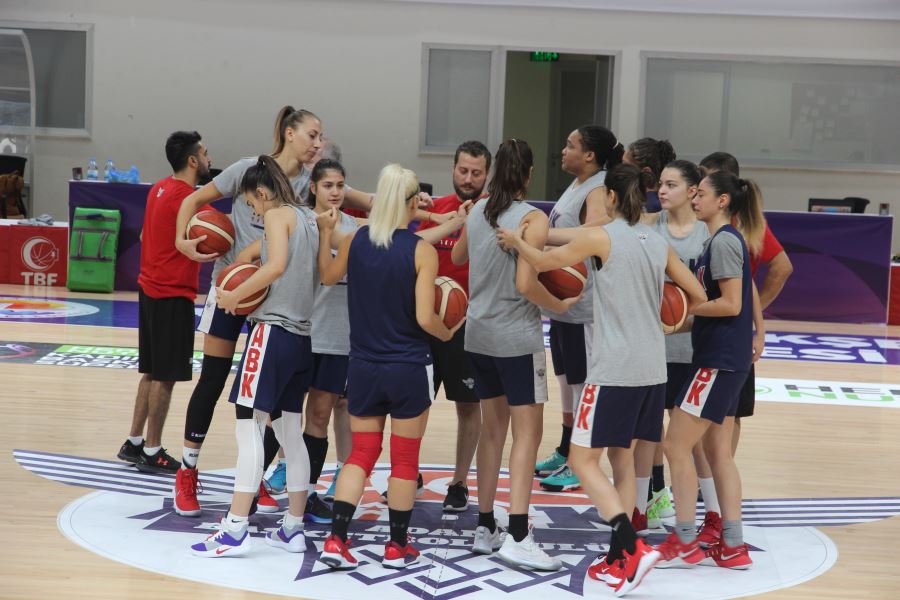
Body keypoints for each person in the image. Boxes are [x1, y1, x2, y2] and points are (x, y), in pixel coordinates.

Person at [498, 163, 706, 595]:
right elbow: (699, 296)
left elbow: (544, 261)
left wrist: (516, 241)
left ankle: (631, 548)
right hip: (653, 370)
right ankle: (617, 557)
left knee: (581, 461)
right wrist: (670, 323)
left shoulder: (601, 236)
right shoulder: (657, 242)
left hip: (614, 369)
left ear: (610, 196)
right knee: (621, 459)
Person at [171, 106, 322, 517]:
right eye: (312, 135)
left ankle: (254, 483)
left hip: (271, 299)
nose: (318, 143)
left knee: (268, 398)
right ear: (289, 134)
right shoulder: (247, 170)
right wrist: (183, 240)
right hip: (232, 287)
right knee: (213, 379)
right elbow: (196, 198)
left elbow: (355, 199)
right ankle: (187, 472)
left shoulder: (310, 182)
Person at [316, 164, 463, 570]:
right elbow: (425, 318)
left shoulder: (356, 240)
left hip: (363, 366)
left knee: (361, 453)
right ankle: (397, 547)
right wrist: (449, 332)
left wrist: (326, 234)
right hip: (408, 368)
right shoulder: (421, 251)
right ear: (413, 202)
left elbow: (327, 277)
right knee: (404, 459)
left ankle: (336, 540)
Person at [451, 139, 577, 571]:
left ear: (493, 172)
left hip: (478, 334)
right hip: (516, 339)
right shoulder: (531, 219)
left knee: (492, 431)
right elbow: (526, 284)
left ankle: (486, 526)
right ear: (528, 174)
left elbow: (457, 255)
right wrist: (559, 305)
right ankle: (519, 535)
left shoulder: (479, 211)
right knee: (527, 435)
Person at [656, 170, 766, 570]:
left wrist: (687, 309)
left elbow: (731, 304)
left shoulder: (722, 242)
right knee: (719, 453)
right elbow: (724, 307)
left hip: (717, 362)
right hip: (727, 359)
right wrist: (681, 321)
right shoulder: (722, 240)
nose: (694, 198)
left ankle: (685, 538)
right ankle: (733, 544)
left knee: (675, 446)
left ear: (722, 201)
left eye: (701, 193)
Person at [693, 151, 792, 545]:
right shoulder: (721, 230)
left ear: (723, 191)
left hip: (724, 344)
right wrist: (756, 323)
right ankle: (721, 517)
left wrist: (749, 317)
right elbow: (746, 283)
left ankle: (715, 513)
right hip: (723, 341)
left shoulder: (733, 231)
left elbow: (779, 268)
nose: (696, 192)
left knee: (716, 434)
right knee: (718, 435)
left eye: (703, 184)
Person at [117, 131, 212, 474]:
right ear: (193, 160)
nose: (210, 159)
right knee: (166, 378)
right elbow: (218, 233)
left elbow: (145, 236)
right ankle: (153, 449)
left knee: (152, 372)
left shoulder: (158, 188)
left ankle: (134, 442)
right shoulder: (188, 199)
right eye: (205, 153)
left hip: (149, 290)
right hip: (171, 294)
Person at [536, 125, 623, 494]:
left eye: (570, 145)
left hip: (584, 305)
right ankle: (565, 448)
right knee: (567, 383)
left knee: (584, 385)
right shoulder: (578, 183)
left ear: (589, 155)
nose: (563, 150)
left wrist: (541, 241)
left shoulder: (598, 188)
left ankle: (581, 462)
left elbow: (594, 234)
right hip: (564, 308)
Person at [415, 140, 491, 512]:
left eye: (476, 172)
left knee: (468, 405)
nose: (468, 178)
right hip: (425, 323)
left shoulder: (493, 214)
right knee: (415, 404)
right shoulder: (435, 210)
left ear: (487, 174)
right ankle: (408, 472)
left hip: (468, 327)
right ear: (453, 169)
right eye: (463, 170)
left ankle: (459, 483)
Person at [633, 161, 708, 534]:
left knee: (694, 442)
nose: (662, 190)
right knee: (647, 433)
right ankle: (645, 503)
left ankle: (707, 514)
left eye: (671, 184)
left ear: (693, 191)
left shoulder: (708, 235)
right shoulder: (648, 227)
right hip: (653, 350)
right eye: (660, 184)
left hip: (694, 350)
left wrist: (684, 320)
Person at [624, 138, 676, 213]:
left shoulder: (652, 206)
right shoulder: (666, 201)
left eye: (625, 166)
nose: (619, 169)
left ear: (646, 172)